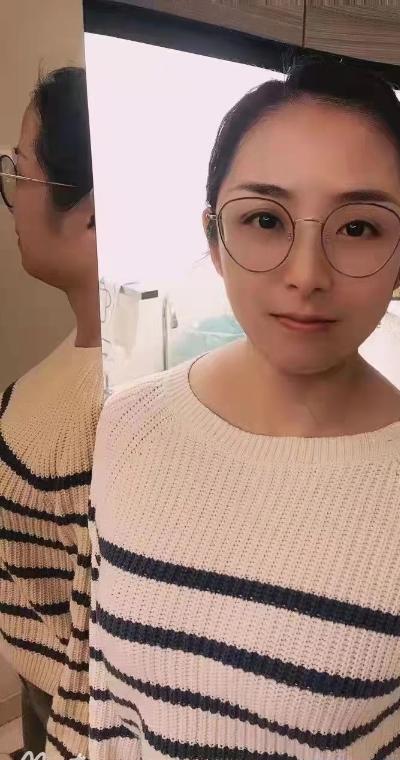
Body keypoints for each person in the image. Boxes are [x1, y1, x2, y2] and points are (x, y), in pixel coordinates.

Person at [88, 58, 400, 760]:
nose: (306, 275)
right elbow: (107, 707)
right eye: (265, 219)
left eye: (359, 228)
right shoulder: (126, 430)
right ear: (214, 238)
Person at [0, 67, 102, 759]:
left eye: (19, 171)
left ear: (91, 212)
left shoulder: (100, 416)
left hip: (70, 712)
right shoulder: (80, 353)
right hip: (41, 682)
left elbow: (103, 665)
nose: (10, 198)